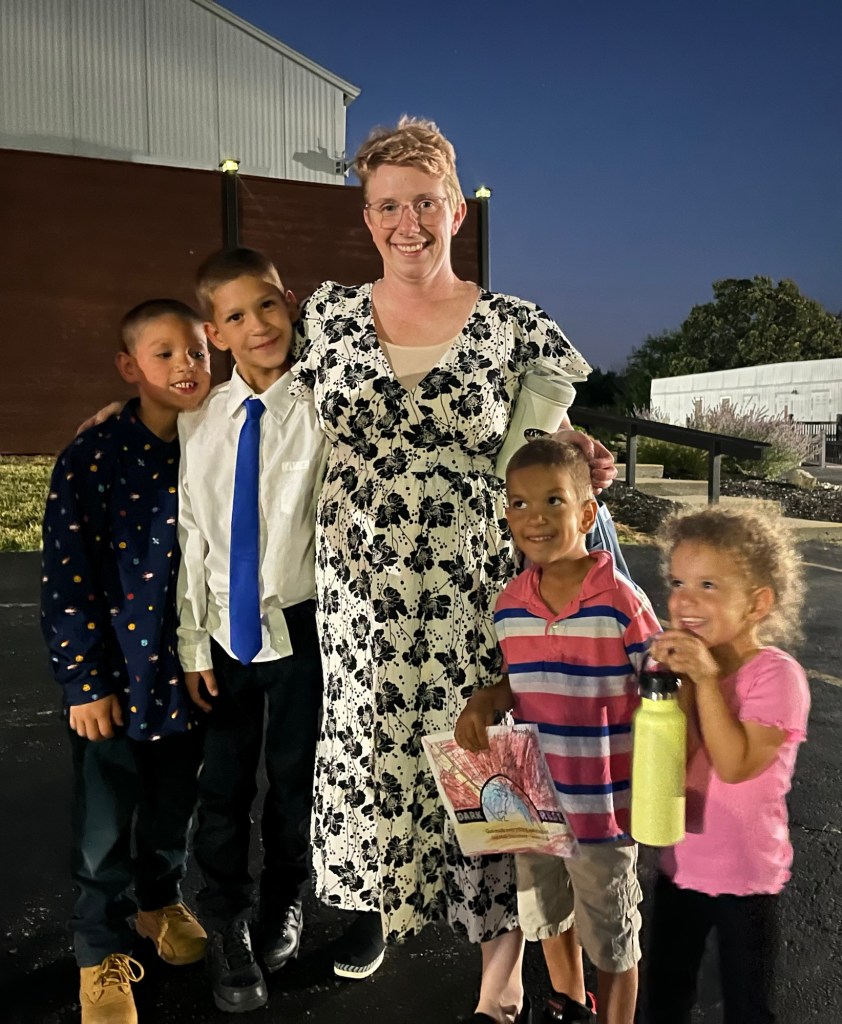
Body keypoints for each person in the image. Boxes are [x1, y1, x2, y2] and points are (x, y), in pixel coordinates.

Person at [290, 116, 621, 1020]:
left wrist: (581, 455)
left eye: (426, 203)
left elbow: (545, 443)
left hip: (471, 584)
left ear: (456, 211)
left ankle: (498, 972)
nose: (409, 223)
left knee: (486, 754)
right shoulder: (325, 314)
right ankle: (381, 911)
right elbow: (262, 402)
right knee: (375, 752)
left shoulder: (513, 325)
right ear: (367, 217)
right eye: (388, 206)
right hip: (360, 589)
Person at [41, 300, 212, 1024]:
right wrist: (84, 681)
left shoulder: (216, 442)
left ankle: (159, 904)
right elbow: (66, 575)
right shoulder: (93, 457)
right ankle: (98, 950)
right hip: (115, 676)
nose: (185, 365)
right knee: (105, 823)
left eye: (197, 351)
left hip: (191, 674)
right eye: (163, 353)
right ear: (128, 366)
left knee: (175, 806)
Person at [455, 439, 660, 1024]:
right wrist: (488, 699)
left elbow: (663, 686)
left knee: (612, 934)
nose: (535, 517)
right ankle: (570, 1003)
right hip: (533, 808)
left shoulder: (621, 601)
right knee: (545, 915)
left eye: (553, 500)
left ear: (587, 512)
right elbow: (523, 683)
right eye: (519, 504)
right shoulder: (509, 606)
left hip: (602, 812)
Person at [176, 248, 326, 1013]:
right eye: (236, 316)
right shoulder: (200, 421)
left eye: (267, 305)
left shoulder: (326, 407)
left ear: (289, 301)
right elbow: (192, 537)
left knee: (296, 781)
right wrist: (192, 643)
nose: (258, 324)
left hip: (302, 628)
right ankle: (226, 918)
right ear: (215, 333)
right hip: (223, 635)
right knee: (224, 785)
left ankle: (285, 899)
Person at [646, 507, 809, 1024]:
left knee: (747, 1007)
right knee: (664, 1000)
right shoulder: (681, 669)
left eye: (708, 585)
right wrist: (669, 685)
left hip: (747, 877)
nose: (685, 600)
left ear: (757, 603)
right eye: (678, 582)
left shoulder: (777, 677)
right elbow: (670, 759)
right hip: (680, 866)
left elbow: (735, 764)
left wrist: (705, 679)